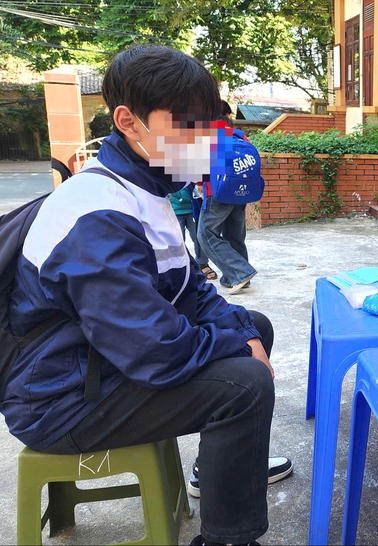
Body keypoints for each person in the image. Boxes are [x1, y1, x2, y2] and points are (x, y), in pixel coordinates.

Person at [1, 45, 290, 546]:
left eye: (208, 123)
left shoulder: (146, 184)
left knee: (253, 325)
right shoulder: (97, 215)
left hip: (100, 363)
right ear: (128, 121)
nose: (202, 139)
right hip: (61, 399)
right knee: (244, 385)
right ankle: (227, 539)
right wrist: (238, 350)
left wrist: (241, 334)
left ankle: (215, 467)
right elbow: (152, 351)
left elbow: (190, 287)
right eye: (186, 124)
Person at [198, 102, 257, 294]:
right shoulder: (239, 135)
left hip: (217, 194)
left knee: (206, 234)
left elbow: (200, 170)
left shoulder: (209, 136)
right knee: (235, 235)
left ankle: (240, 273)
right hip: (241, 192)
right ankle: (237, 278)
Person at [169, 184, 217, 280]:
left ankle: (202, 264)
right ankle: (179, 267)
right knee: (176, 241)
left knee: (199, 238)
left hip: (193, 208)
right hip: (173, 209)